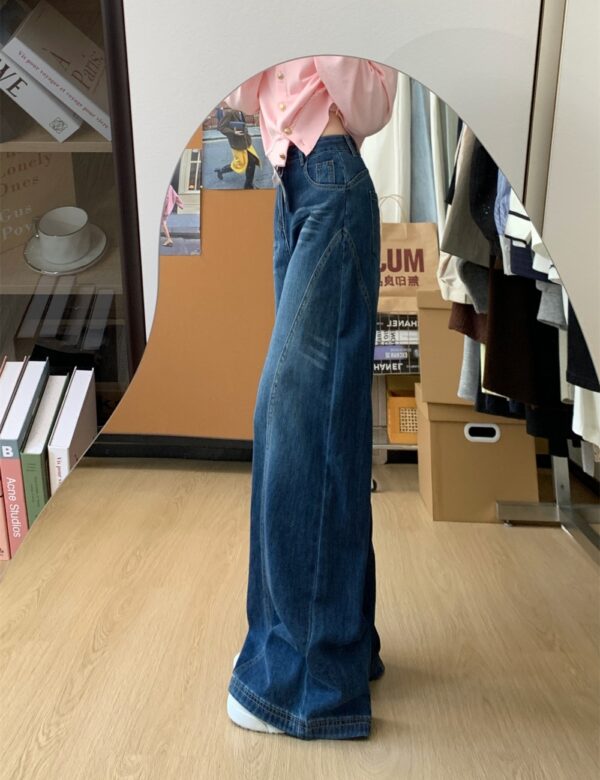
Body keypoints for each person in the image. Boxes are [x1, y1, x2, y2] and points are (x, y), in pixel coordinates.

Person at [225, 56, 398, 741]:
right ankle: (341, 645)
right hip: (292, 186)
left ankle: (304, 683)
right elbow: (242, 94)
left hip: (332, 182)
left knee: (292, 420)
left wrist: (321, 20)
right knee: (327, 423)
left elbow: (373, 106)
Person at [214, 107, 261, 189]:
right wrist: (234, 132)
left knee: (252, 161)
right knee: (239, 164)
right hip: (237, 144)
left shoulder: (241, 111)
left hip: (246, 142)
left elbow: (243, 125)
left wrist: (247, 133)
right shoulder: (230, 113)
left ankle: (248, 185)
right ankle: (221, 171)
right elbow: (221, 127)